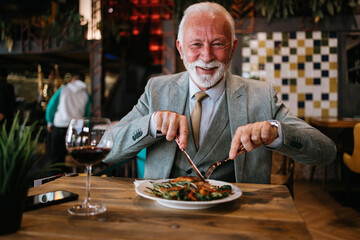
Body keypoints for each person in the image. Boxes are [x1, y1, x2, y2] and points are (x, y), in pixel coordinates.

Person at [103, 2, 336, 183]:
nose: (206, 56)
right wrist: (150, 124)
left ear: (233, 48)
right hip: (164, 215)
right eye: (196, 45)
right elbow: (106, 149)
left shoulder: (261, 95)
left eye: (217, 44)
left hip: (237, 218)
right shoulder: (157, 89)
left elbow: (326, 152)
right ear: (180, 49)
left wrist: (276, 133)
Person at [45, 73, 90, 172]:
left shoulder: (64, 89)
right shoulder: (85, 93)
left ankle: (56, 181)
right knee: (77, 156)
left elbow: (51, 106)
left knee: (56, 158)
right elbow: (88, 114)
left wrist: (49, 121)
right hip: (77, 127)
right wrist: (88, 128)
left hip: (60, 125)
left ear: (73, 79)